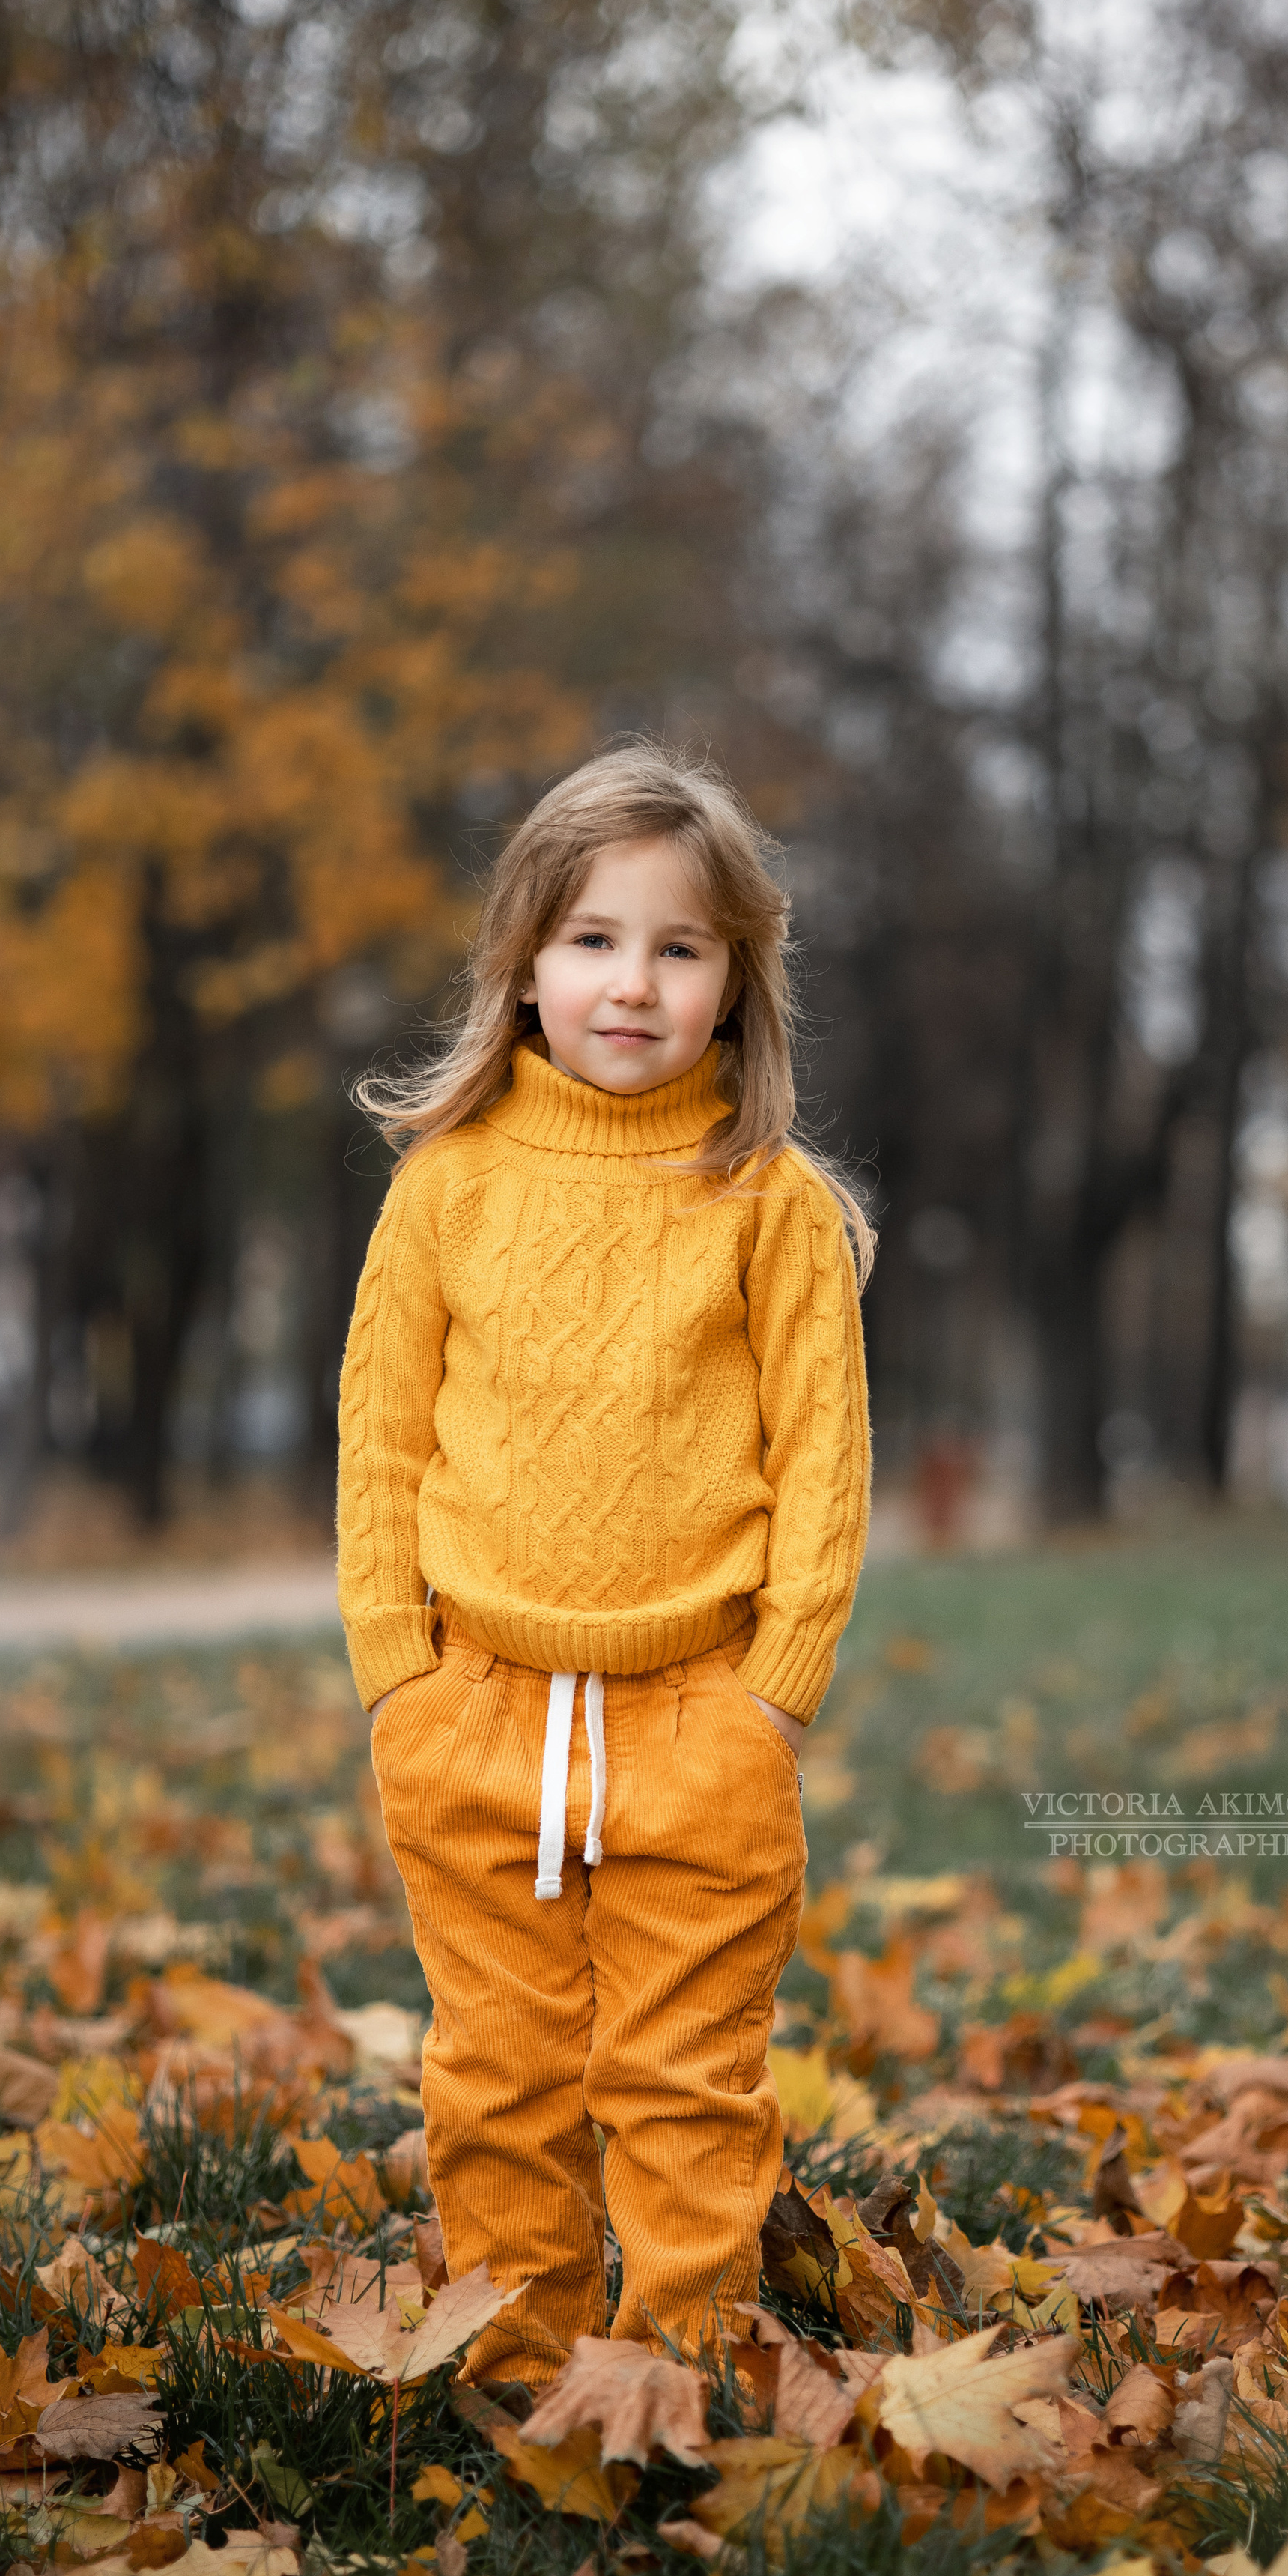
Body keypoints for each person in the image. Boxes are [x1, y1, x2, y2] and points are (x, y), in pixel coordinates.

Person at [336, 742, 874, 2393]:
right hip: (473, 1717)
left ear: (736, 984)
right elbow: (381, 1440)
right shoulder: (446, 1191)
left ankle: (675, 2374)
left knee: (684, 2079)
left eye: (677, 946)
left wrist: (772, 1698)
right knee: (496, 2076)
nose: (631, 982)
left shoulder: (769, 1207)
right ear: (522, 967)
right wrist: (399, 1675)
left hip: (700, 1724)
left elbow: (824, 1464)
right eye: (592, 939)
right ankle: (517, 2368)